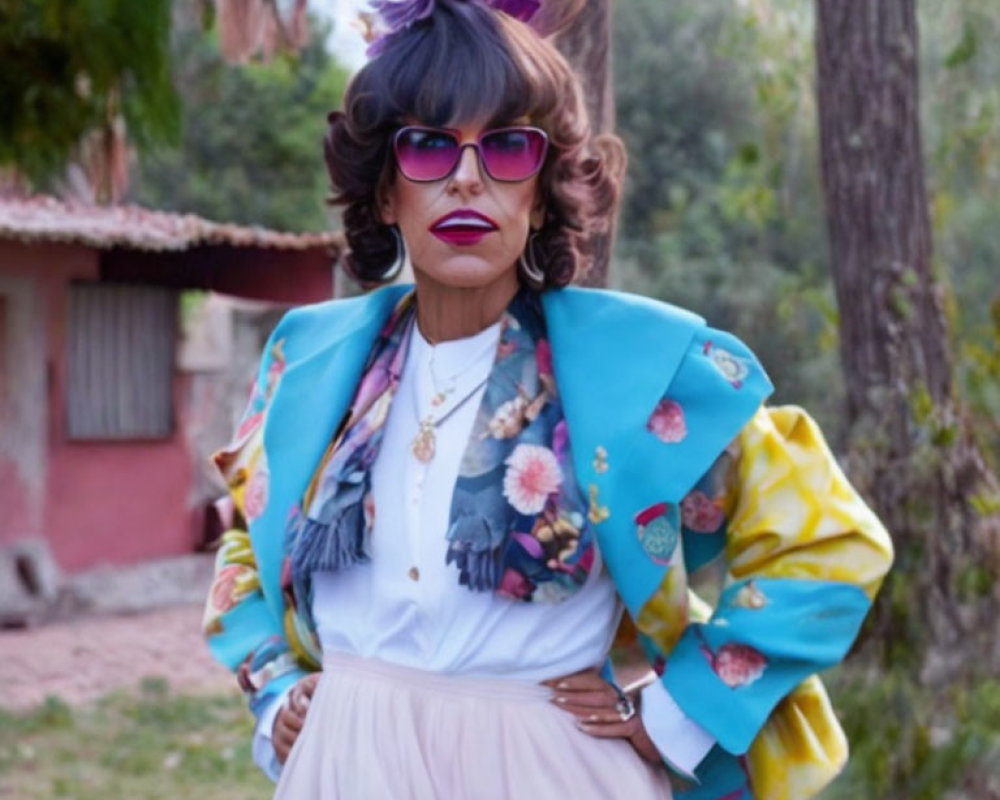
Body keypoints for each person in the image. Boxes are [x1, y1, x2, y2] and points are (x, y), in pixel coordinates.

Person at [201, 1, 894, 798]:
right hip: (344, 768)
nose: (468, 177)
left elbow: (831, 541)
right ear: (385, 192)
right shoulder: (312, 367)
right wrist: (277, 687)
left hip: (550, 771)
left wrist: (677, 713)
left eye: (506, 147)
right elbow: (246, 548)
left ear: (542, 191)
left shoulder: (641, 378)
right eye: (428, 146)